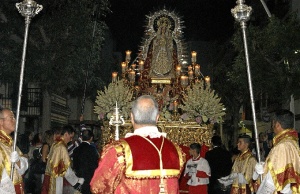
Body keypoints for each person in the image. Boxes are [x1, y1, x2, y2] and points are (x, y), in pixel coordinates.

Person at [90, 95, 185, 194]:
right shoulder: (176, 151)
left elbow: (98, 187)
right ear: (157, 118)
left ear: (132, 117)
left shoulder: (119, 151)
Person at [253, 109, 300, 193]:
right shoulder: (292, 143)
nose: (272, 127)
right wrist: (264, 166)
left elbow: (274, 179)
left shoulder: (282, 146)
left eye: (273, 124)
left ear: (277, 125)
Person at [41, 125, 84, 194]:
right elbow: (65, 168)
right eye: (71, 137)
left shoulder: (55, 144)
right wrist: (76, 182)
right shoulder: (61, 147)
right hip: (56, 178)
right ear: (66, 134)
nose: (71, 140)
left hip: (49, 176)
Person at [0, 107, 29, 193]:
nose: (15, 120)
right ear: (1, 121)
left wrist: (18, 161)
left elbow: (24, 166)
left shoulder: (10, 142)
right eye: (11, 117)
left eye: (14, 117)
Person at [73, 130, 99, 194]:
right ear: (91, 138)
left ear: (81, 138)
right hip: (89, 178)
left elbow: (74, 165)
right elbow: (95, 164)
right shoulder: (92, 149)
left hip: (78, 178)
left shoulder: (76, 150)